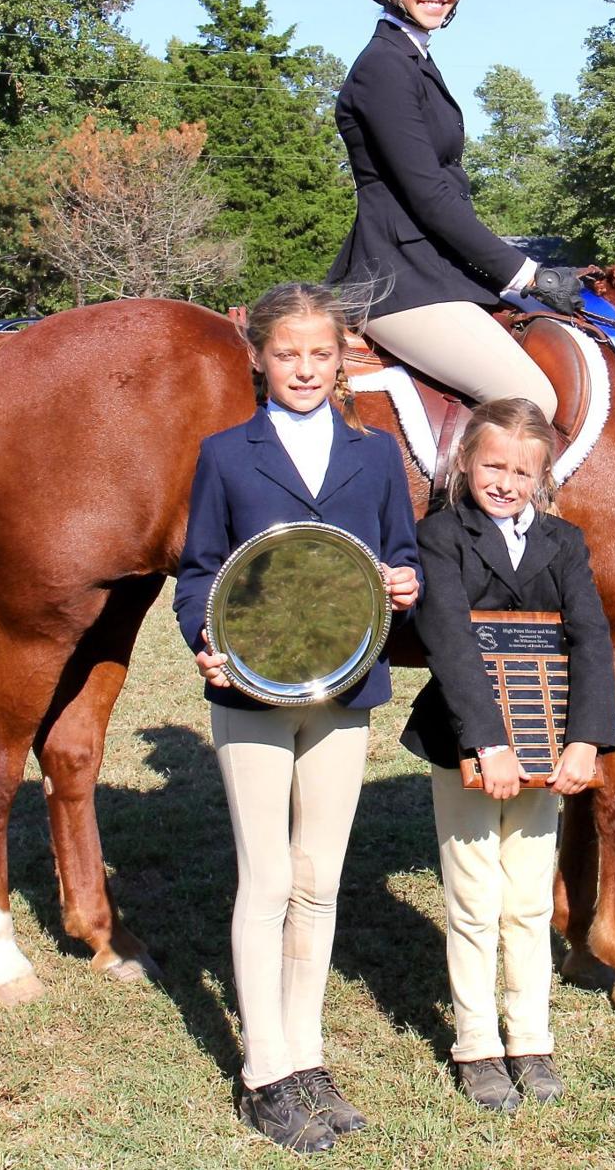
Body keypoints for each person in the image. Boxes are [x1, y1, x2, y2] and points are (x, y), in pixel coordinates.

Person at [173, 284, 421, 1154]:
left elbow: (400, 551)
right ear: (258, 357)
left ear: (345, 356)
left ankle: (307, 1052)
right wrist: (204, 638)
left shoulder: (378, 453)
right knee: (268, 879)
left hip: (343, 688)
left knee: (320, 879)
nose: (306, 369)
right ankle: (263, 1070)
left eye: (322, 354)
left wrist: (404, 580)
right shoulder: (224, 455)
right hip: (250, 688)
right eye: (288, 355)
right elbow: (200, 570)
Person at [402, 397, 615, 1110]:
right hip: (469, 741)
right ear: (466, 464)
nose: (506, 481)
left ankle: (531, 1038)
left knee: (528, 899)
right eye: (493, 465)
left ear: (543, 475)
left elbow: (590, 640)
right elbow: (450, 643)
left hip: (549, 740)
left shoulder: (566, 543)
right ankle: (476, 1046)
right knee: (473, 900)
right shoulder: (439, 536)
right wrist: (488, 742)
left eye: (522, 471)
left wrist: (586, 738)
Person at [327, 0, 584, 424]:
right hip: (398, 280)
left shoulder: (415, 61)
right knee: (528, 397)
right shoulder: (384, 68)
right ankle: (458, 512)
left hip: (435, 272)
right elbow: (430, 196)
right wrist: (525, 274)